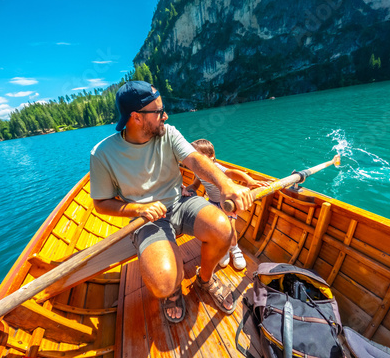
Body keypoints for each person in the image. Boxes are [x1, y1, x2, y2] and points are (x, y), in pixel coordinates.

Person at [89, 81, 253, 324]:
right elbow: (101, 203)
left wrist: (225, 184)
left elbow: (195, 160)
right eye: (158, 111)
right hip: (147, 219)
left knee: (224, 230)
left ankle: (205, 280)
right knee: (163, 283)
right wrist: (138, 208)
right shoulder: (102, 154)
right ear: (136, 117)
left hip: (181, 203)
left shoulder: (168, 133)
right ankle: (173, 291)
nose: (165, 115)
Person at [183, 139, 269, 270]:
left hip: (228, 205)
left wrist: (249, 180)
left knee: (230, 229)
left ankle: (235, 250)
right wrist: (186, 189)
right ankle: (222, 249)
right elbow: (195, 185)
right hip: (212, 204)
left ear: (211, 156)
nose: (196, 160)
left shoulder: (215, 168)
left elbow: (231, 172)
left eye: (199, 156)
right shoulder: (198, 170)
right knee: (216, 229)